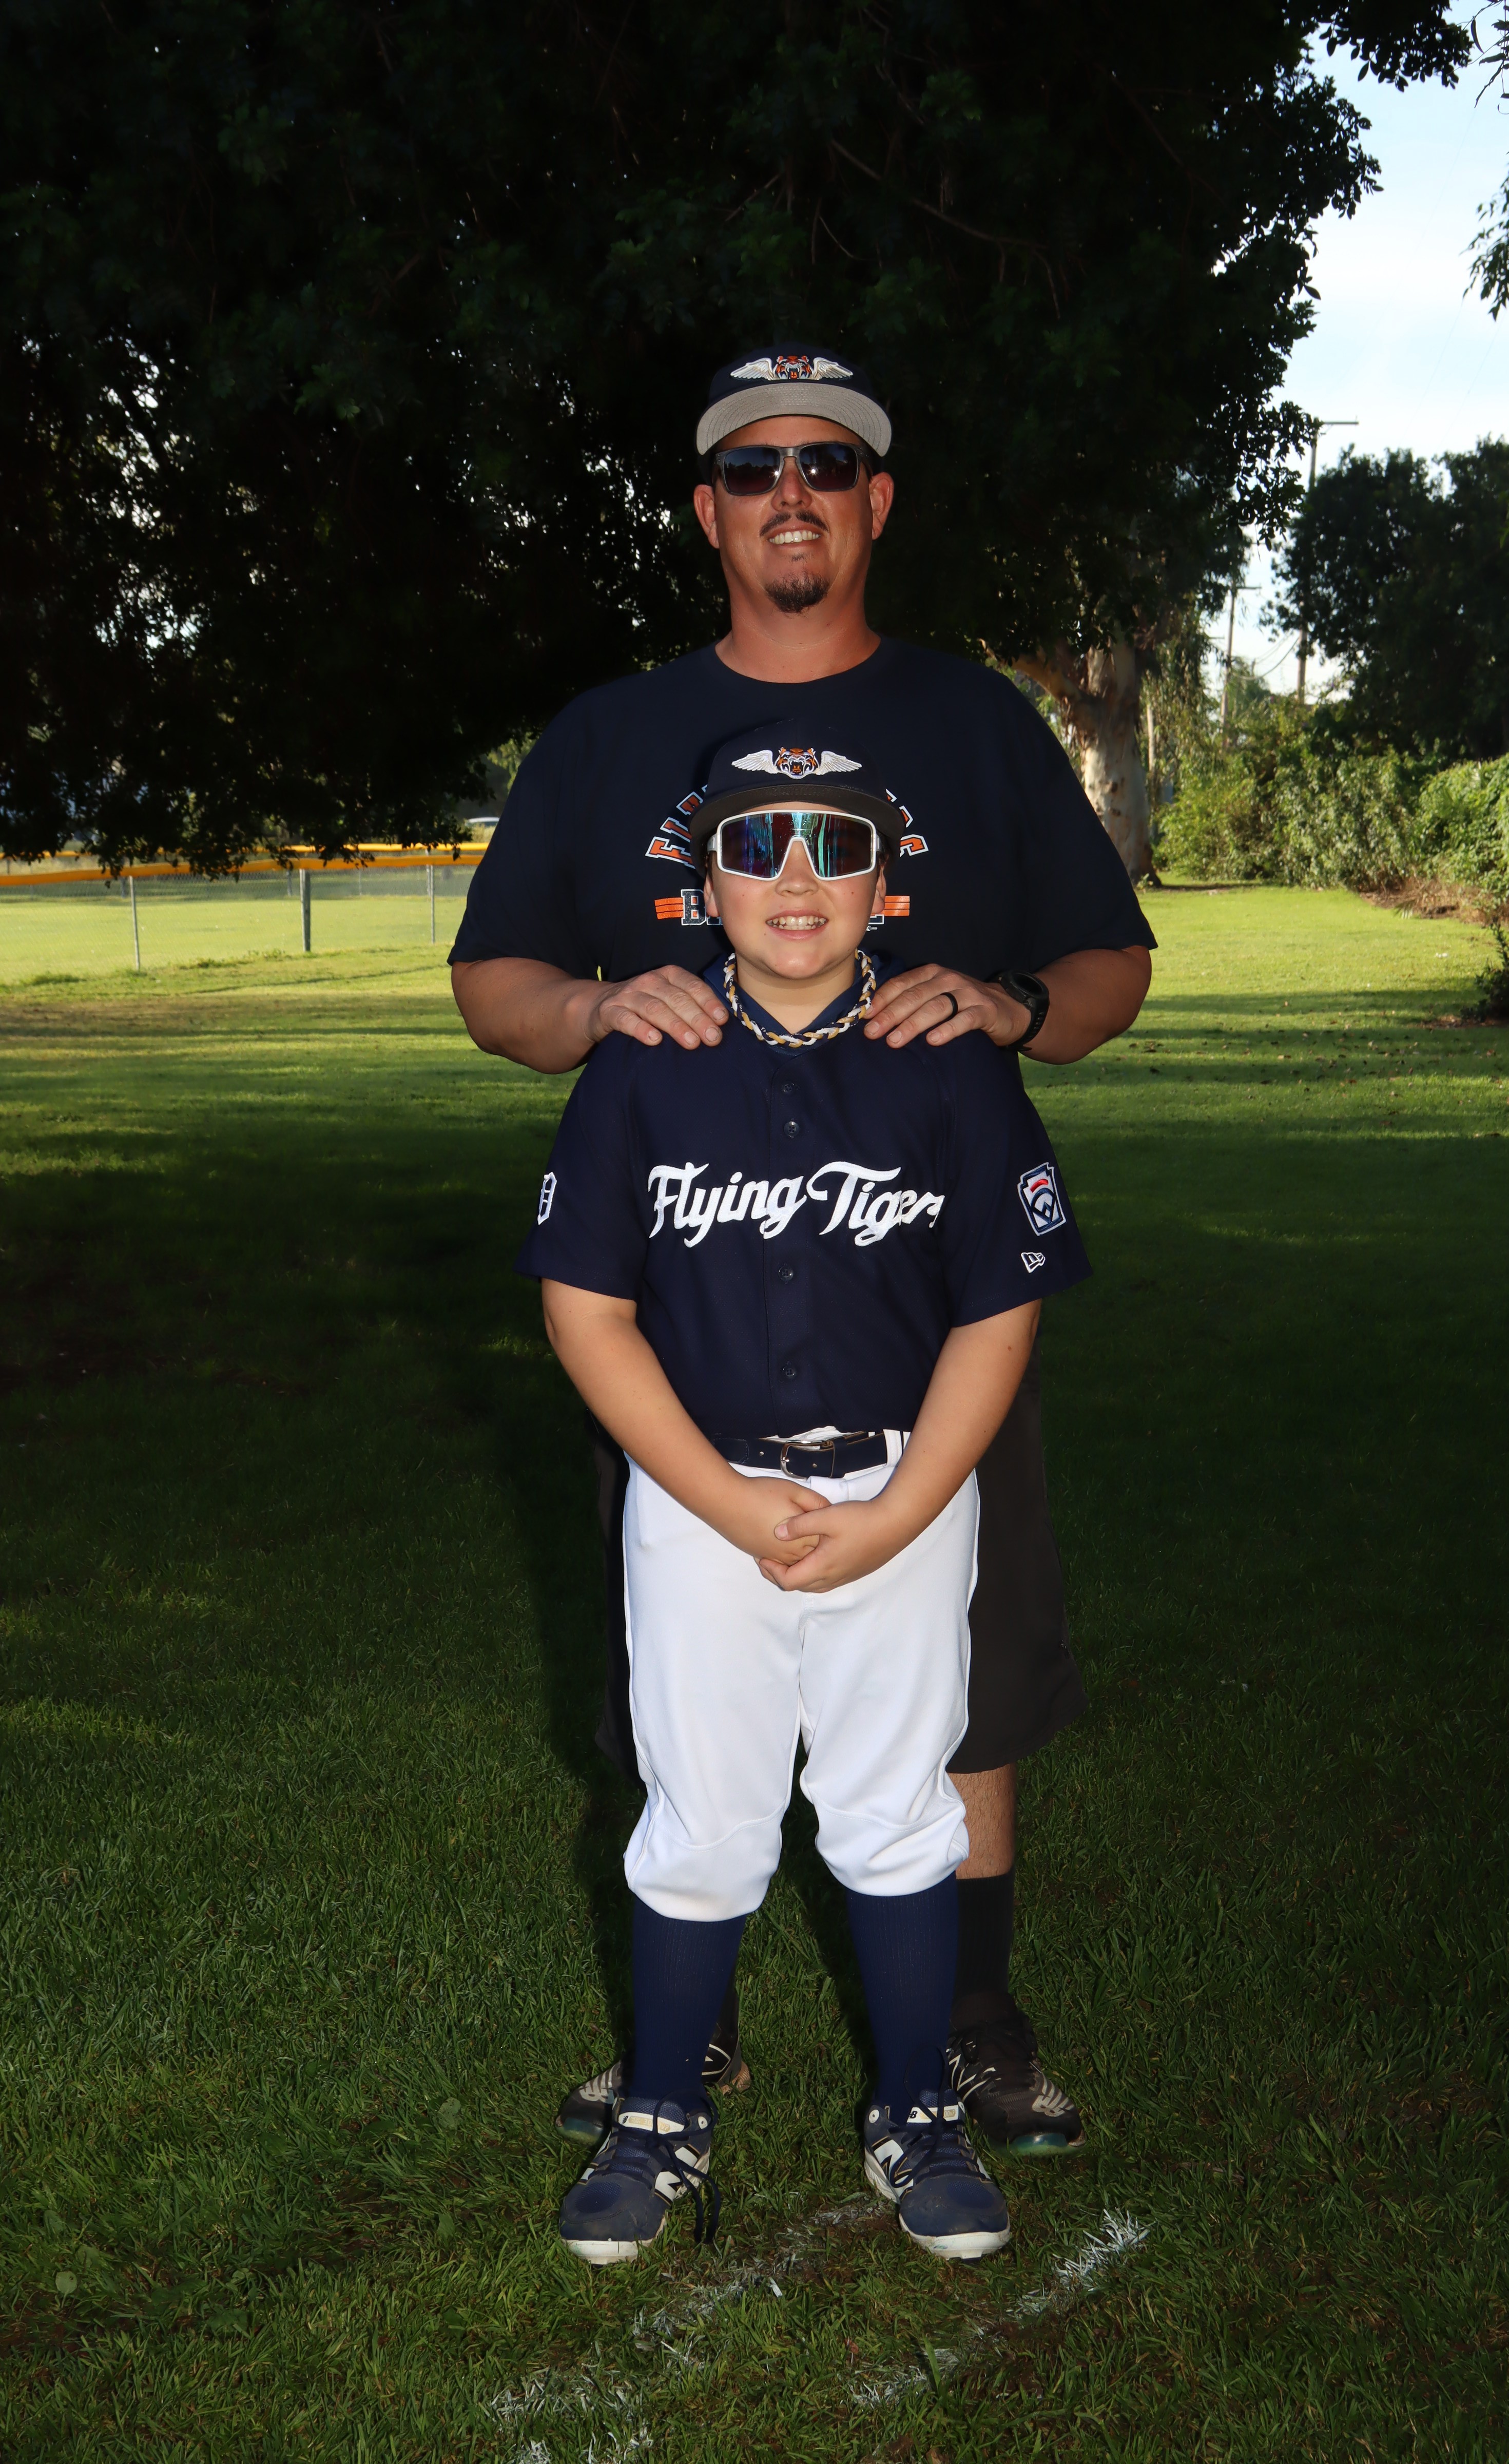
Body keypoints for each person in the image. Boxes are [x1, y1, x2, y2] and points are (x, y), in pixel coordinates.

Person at [451, 342, 1154, 2152]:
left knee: (963, 1666)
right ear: (708, 509)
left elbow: (1110, 967)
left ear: (875, 501)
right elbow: (494, 981)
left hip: (930, 1297)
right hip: (687, 1300)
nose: (791, 492)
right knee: (689, 1681)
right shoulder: (611, 735)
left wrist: (1011, 1003)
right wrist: (601, 1005)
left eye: (826, 465)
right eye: (755, 466)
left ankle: (969, 2021)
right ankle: (696, 2037)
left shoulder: (975, 722)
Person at [520, 726, 1092, 2264]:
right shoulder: (644, 1062)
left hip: (901, 1487)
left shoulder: (950, 1060)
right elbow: (585, 1311)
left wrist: (901, 1515)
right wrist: (720, 1500)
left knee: (895, 1809)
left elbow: (1001, 1311)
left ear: (885, 882)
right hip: (697, 1494)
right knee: (704, 1813)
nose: (795, 876)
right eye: (756, 843)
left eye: (836, 845)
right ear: (702, 880)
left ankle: (917, 2109)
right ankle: (662, 2110)